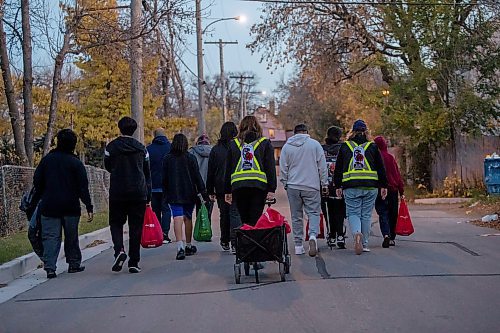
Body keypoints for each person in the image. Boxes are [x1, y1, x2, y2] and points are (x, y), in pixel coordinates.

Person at [33, 129, 93, 279]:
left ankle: (50, 267)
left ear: (58, 141)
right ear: (73, 144)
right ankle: (73, 264)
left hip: (50, 205)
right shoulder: (75, 163)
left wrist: (39, 198)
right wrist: (89, 206)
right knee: (71, 237)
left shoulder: (47, 160)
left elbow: (37, 181)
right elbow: (83, 187)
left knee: (50, 237)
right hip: (71, 206)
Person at [333, 119, 388, 255]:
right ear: (366, 131)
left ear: (352, 131)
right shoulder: (373, 146)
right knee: (366, 215)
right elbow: (381, 167)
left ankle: (357, 233)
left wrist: (337, 185)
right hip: (371, 186)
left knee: (353, 213)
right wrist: (383, 185)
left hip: (350, 186)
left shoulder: (345, 146)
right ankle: (364, 244)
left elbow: (338, 168)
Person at [105, 117, 152, 273]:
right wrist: (148, 195)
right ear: (134, 130)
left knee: (116, 223)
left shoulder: (111, 147)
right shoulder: (141, 149)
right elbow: (147, 172)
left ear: (119, 128)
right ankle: (134, 261)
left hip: (118, 190)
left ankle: (119, 250)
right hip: (138, 192)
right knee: (135, 227)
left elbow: (107, 166)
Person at [280, 124, 328, 257]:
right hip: (311, 186)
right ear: (307, 132)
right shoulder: (315, 145)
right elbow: (322, 166)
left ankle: (298, 245)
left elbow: (283, 167)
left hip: (293, 186)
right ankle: (312, 235)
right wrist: (324, 183)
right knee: (313, 213)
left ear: (294, 133)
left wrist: (285, 183)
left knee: (296, 216)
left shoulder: (287, 147)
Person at [225, 115, 277, 228]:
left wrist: (227, 190)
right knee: (255, 219)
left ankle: (246, 243)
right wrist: (271, 189)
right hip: (258, 187)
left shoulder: (233, 144)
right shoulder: (264, 143)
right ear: (257, 127)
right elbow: (270, 167)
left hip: (239, 186)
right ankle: (254, 243)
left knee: (244, 220)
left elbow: (228, 168)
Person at [163, 133, 208, 260]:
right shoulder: (190, 158)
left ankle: (180, 247)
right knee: (188, 218)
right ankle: (188, 245)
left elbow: (164, 179)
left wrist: (165, 194)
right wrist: (203, 192)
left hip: (173, 193)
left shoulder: (167, 159)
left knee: (177, 217)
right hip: (189, 193)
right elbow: (197, 177)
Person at [206, 122, 242, 252]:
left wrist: (210, 190)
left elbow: (210, 171)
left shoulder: (216, 149)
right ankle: (235, 240)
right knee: (236, 213)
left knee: (224, 214)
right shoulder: (238, 147)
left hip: (220, 186)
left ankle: (225, 239)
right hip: (236, 184)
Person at [374, 136, 405, 247]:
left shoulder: (374, 157)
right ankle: (392, 237)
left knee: (383, 213)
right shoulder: (390, 158)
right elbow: (397, 175)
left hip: (379, 189)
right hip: (392, 189)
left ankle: (386, 234)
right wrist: (401, 191)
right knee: (393, 214)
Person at [321, 126, 347, 249]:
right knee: (340, 212)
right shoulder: (343, 148)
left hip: (325, 186)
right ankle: (340, 235)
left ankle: (331, 236)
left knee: (328, 212)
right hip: (340, 186)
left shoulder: (321, 149)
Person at [146, 128, 172, 243]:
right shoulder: (170, 148)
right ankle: (165, 233)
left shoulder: (148, 150)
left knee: (156, 210)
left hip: (153, 185)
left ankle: (157, 233)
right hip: (167, 185)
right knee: (166, 209)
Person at [189, 134, 214, 220]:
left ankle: (198, 230)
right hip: (209, 186)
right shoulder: (214, 151)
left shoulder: (191, 151)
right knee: (207, 212)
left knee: (198, 211)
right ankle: (207, 231)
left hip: (195, 186)